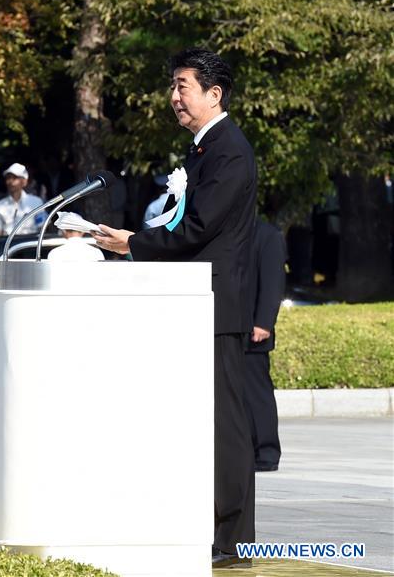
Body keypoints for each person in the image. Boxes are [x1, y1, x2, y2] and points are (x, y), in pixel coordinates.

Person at [93, 48, 257, 568]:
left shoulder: (228, 150)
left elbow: (199, 227)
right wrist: (136, 239)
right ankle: (206, 529)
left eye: (182, 86)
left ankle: (235, 541)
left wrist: (134, 243)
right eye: (173, 86)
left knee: (225, 425)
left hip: (216, 305)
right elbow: (183, 222)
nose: (174, 97)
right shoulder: (202, 150)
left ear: (215, 94)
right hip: (192, 302)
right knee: (202, 422)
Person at [246, 220, 286, 472]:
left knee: (257, 394)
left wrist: (264, 322)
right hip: (232, 324)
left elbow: (273, 283)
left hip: (254, 329)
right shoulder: (227, 229)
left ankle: (267, 451)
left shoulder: (267, 234)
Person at [0, 163, 45, 236]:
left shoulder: (37, 202)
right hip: (8, 246)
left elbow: (43, 227)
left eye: (15, 178)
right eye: (8, 178)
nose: (10, 181)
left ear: (24, 182)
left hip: (32, 244)